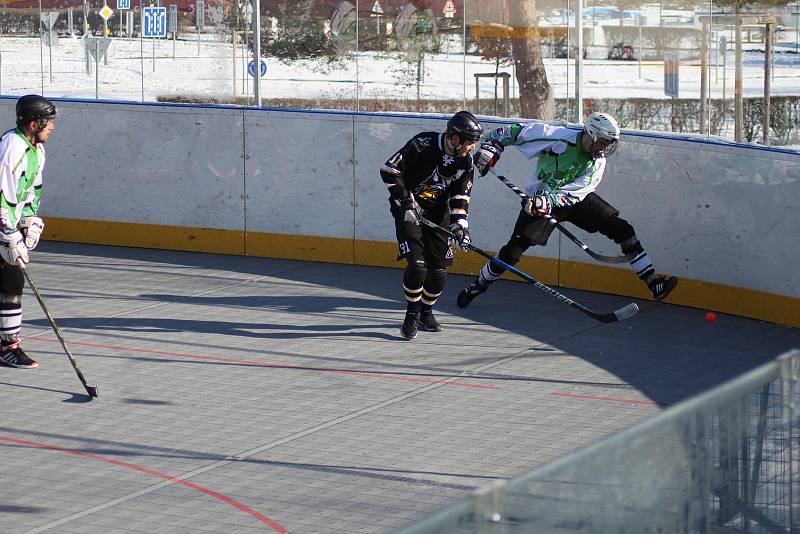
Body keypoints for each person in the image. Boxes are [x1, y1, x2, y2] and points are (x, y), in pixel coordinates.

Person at [458, 111, 677, 308]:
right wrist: (490, 148)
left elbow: (576, 193)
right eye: (602, 141)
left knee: (621, 228)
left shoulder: (597, 163)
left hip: (573, 200)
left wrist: (549, 202)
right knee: (514, 250)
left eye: (608, 144)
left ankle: (652, 282)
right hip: (540, 200)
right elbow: (514, 132)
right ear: (590, 134)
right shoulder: (557, 135)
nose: (604, 148)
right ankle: (479, 284)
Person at [381, 110, 482, 339]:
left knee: (438, 272)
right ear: (454, 138)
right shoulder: (423, 143)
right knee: (417, 266)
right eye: (470, 142)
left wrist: (460, 226)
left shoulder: (465, 162)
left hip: (437, 215)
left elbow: (460, 197)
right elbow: (389, 170)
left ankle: (427, 312)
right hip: (407, 210)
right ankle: (412, 313)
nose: (473, 147)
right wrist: (406, 201)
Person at [0, 95, 57, 368]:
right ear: (33, 124)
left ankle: (7, 346)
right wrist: (7, 233)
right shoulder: (12, 147)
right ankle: (8, 346)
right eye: (48, 123)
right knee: (10, 281)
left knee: (11, 282)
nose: (52, 127)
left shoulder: (37, 150)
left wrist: (30, 220)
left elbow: (32, 190)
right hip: (2, 226)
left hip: (8, 225)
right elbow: (1, 194)